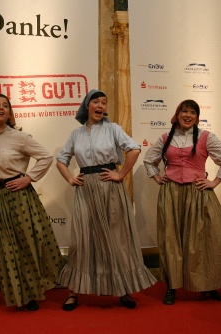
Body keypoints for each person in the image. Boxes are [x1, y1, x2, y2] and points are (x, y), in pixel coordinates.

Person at [56, 89, 157, 311]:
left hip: (110, 188)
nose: (101, 105)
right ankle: (74, 291)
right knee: (82, 239)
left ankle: (124, 288)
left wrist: (120, 175)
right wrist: (71, 179)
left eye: (104, 102)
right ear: (87, 106)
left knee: (116, 238)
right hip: (86, 190)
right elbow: (61, 160)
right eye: (96, 101)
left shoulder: (113, 129)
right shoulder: (76, 134)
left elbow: (134, 149)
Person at [0, 94, 63, 312]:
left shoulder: (21, 137)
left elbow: (46, 157)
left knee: (22, 244)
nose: (1, 108)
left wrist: (29, 178)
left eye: (5, 105)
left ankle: (29, 293)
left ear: (9, 113)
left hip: (16, 196)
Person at [143, 99, 221, 305]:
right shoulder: (165, 138)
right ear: (177, 114)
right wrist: (157, 177)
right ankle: (172, 286)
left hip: (197, 194)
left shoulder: (206, 137)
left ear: (197, 117)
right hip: (171, 194)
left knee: (204, 240)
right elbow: (148, 160)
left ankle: (209, 284)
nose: (188, 115)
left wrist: (214, 182)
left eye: (192, 112)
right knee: (172, 240)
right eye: (184, 111)